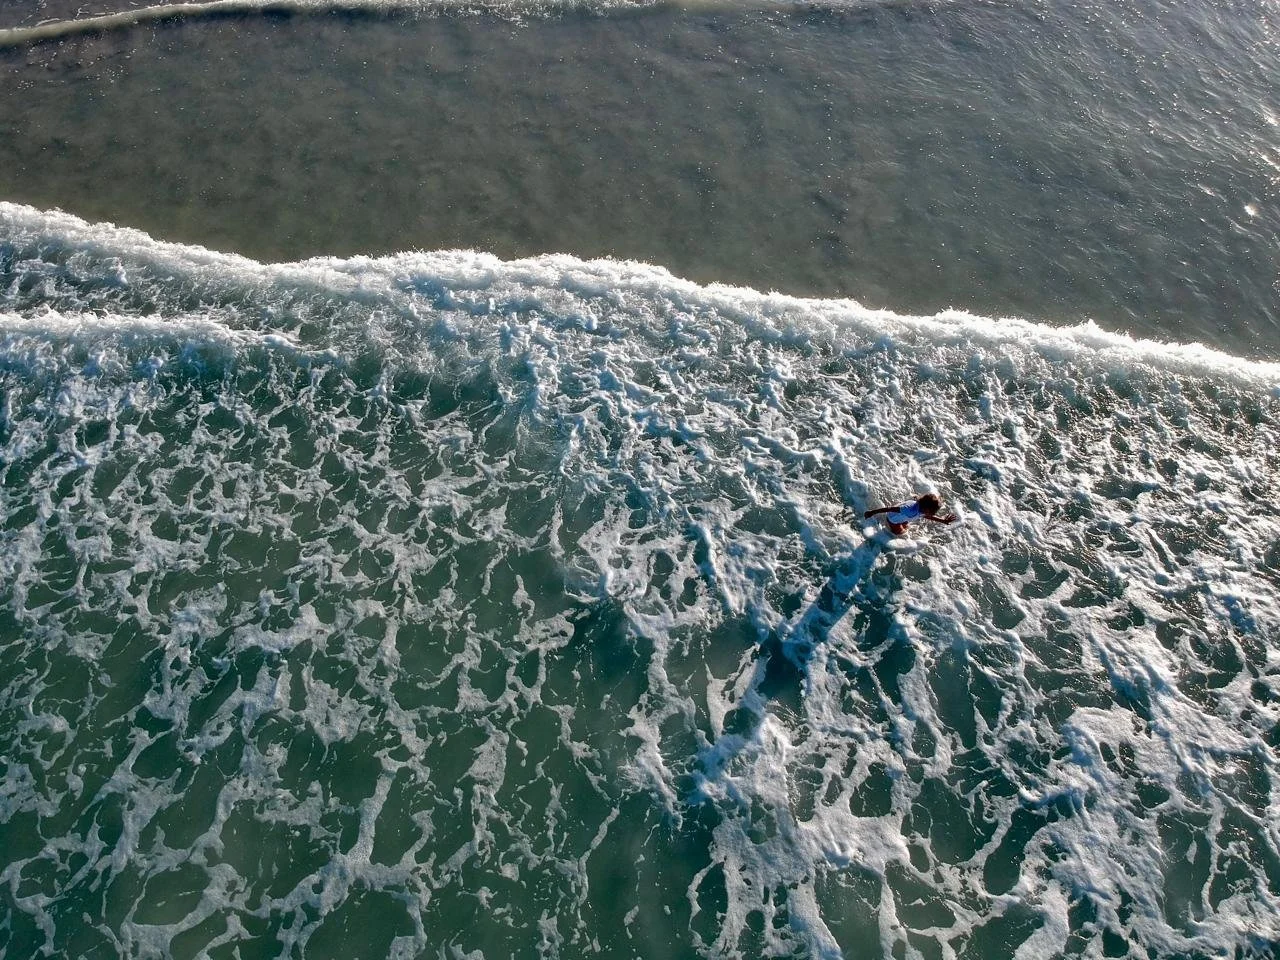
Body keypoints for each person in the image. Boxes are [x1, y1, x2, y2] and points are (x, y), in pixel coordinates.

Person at [864, 493, 957, 536]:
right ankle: (886, 528)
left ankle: (902, 523)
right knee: (899, 532)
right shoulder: (909, 510)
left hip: (904, 518)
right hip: (893, 519)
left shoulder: (921, 510)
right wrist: (872, 512)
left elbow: (928, 516)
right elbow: (889, 509)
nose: (933, 514)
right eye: (932, 511)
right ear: (925, 508)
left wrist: (943, 520)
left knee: (906, 525)